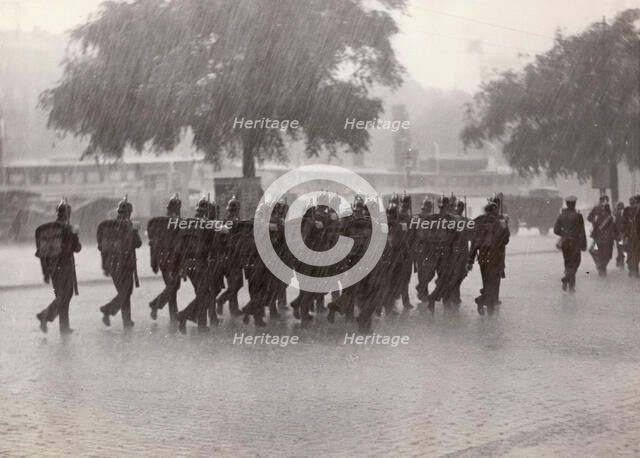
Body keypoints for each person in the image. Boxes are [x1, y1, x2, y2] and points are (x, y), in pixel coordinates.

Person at [35, 199, 81, 334]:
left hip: (53, 268)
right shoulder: (67, 229)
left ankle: (64, 327)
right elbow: (76, 248)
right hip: (65, 266)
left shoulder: (50, 229)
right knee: (66, 295)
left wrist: (46, 272)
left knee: (62, 295)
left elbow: (44, 252)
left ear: (58, 213)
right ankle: (45, 315)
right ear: (68, 214)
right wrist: (76, 235)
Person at [98, 196, 142, 329]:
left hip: (112, 265)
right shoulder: (128, 225)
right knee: (126, 292)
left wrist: (105, 265)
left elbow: (103, 248)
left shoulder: (108, 227)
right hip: (125, 264)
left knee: (124, 292)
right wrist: (135, 231)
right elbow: (138, 244)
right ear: (129, 212)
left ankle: (127, 321)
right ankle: (108, 310)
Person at [468, 199, 510, 314]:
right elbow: (506, 240)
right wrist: (504, 226)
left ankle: (489, 305)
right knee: (492, 282)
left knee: (486, 282)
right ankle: (481, 300)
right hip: (495, 257)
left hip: (482, 257)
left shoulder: (479, 221)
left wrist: (470, 259)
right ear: (495, 210)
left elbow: (474, 242)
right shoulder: (499, 221)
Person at [148, 193, 182, 323]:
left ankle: (171, 314)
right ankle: (157, 306)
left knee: (173, 287)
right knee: (172, 286)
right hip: (168, 260)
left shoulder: (172, 222)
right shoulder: (164, 224)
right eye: (176, 209)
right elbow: (155, 243)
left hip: (173, 260)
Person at [215, 195, 244, 318]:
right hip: (231, 258)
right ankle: (221, 300)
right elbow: (228, 240)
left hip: (230, 258)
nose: (235, 211)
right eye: (235, 209)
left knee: (234, 284)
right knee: (237, 284)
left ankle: (234, 309)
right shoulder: (231, 222)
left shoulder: (229, 221)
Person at [553, 195, 587, 292]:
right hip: (575, 243)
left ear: (567, 204)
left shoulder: (561, 215)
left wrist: (563, 234)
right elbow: (582, 231)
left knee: (567, 263)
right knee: (575, 263)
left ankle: (568, 282)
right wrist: (583, 244)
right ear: (574, 204)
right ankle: (569, 282)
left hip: (565, 243)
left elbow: (556, 230)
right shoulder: (578, 216)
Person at [589, 203, 615, 276]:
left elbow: (595, 227)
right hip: (607, 240)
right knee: (607, 255)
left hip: (599, 240)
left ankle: (600, 266)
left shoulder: (598, 217)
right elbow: (613, 229)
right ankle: (602, 267)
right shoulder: (610, 218)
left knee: (595, 252)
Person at [613, 202, 626, 268]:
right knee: (621, 249)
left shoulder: (616, 215)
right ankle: (621, 262)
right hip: (621, 235)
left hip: (619, 235)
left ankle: (619, 261)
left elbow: (614, 225)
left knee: (620, 249)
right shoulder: (624, 214)